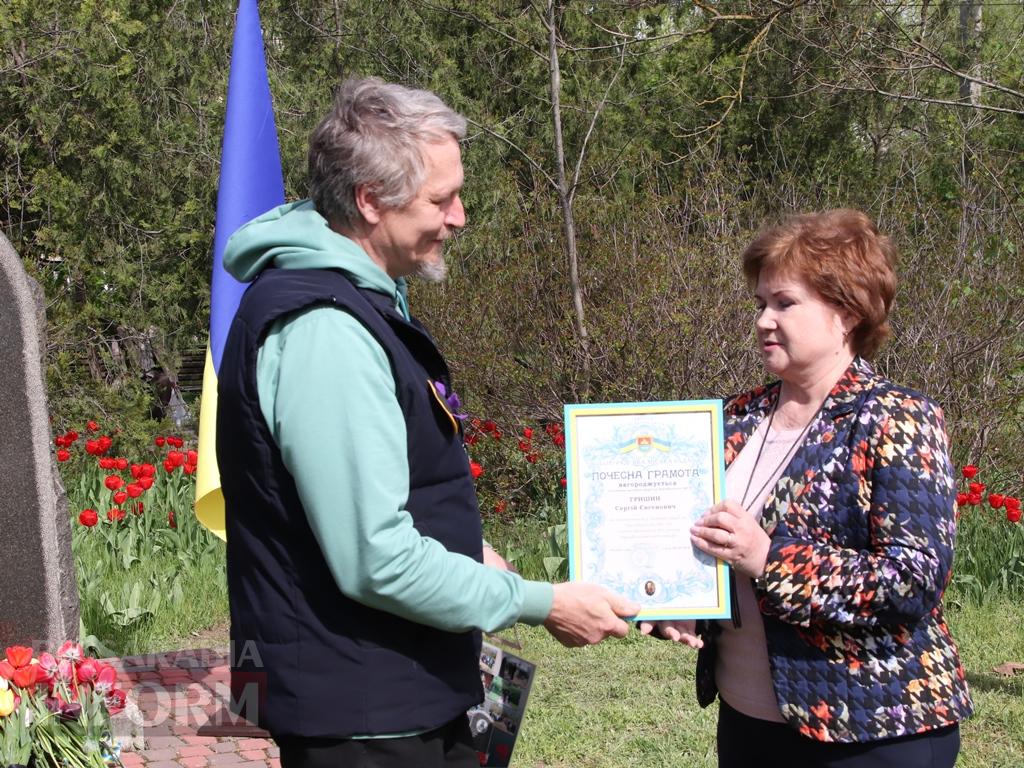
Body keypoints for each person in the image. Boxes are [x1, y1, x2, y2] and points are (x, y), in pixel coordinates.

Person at [216, 77, 638, 768]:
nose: (460, 216)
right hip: (363, 721)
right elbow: (376, 560)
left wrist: (473, 551)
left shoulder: (361, 299)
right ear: (369, 202)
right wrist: (538, 601)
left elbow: (393, 492)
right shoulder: (327, 328)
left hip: (394, 694)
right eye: (440, 199)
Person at [642, 209, 972, 767]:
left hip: (873, 727)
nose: (764, 321)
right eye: (760, 304)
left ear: (846, 312)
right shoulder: (734, 417)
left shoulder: (896, 417)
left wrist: (770, 559)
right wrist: (679, 601)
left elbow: (914, 580)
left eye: (784, 303)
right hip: (749, 719)